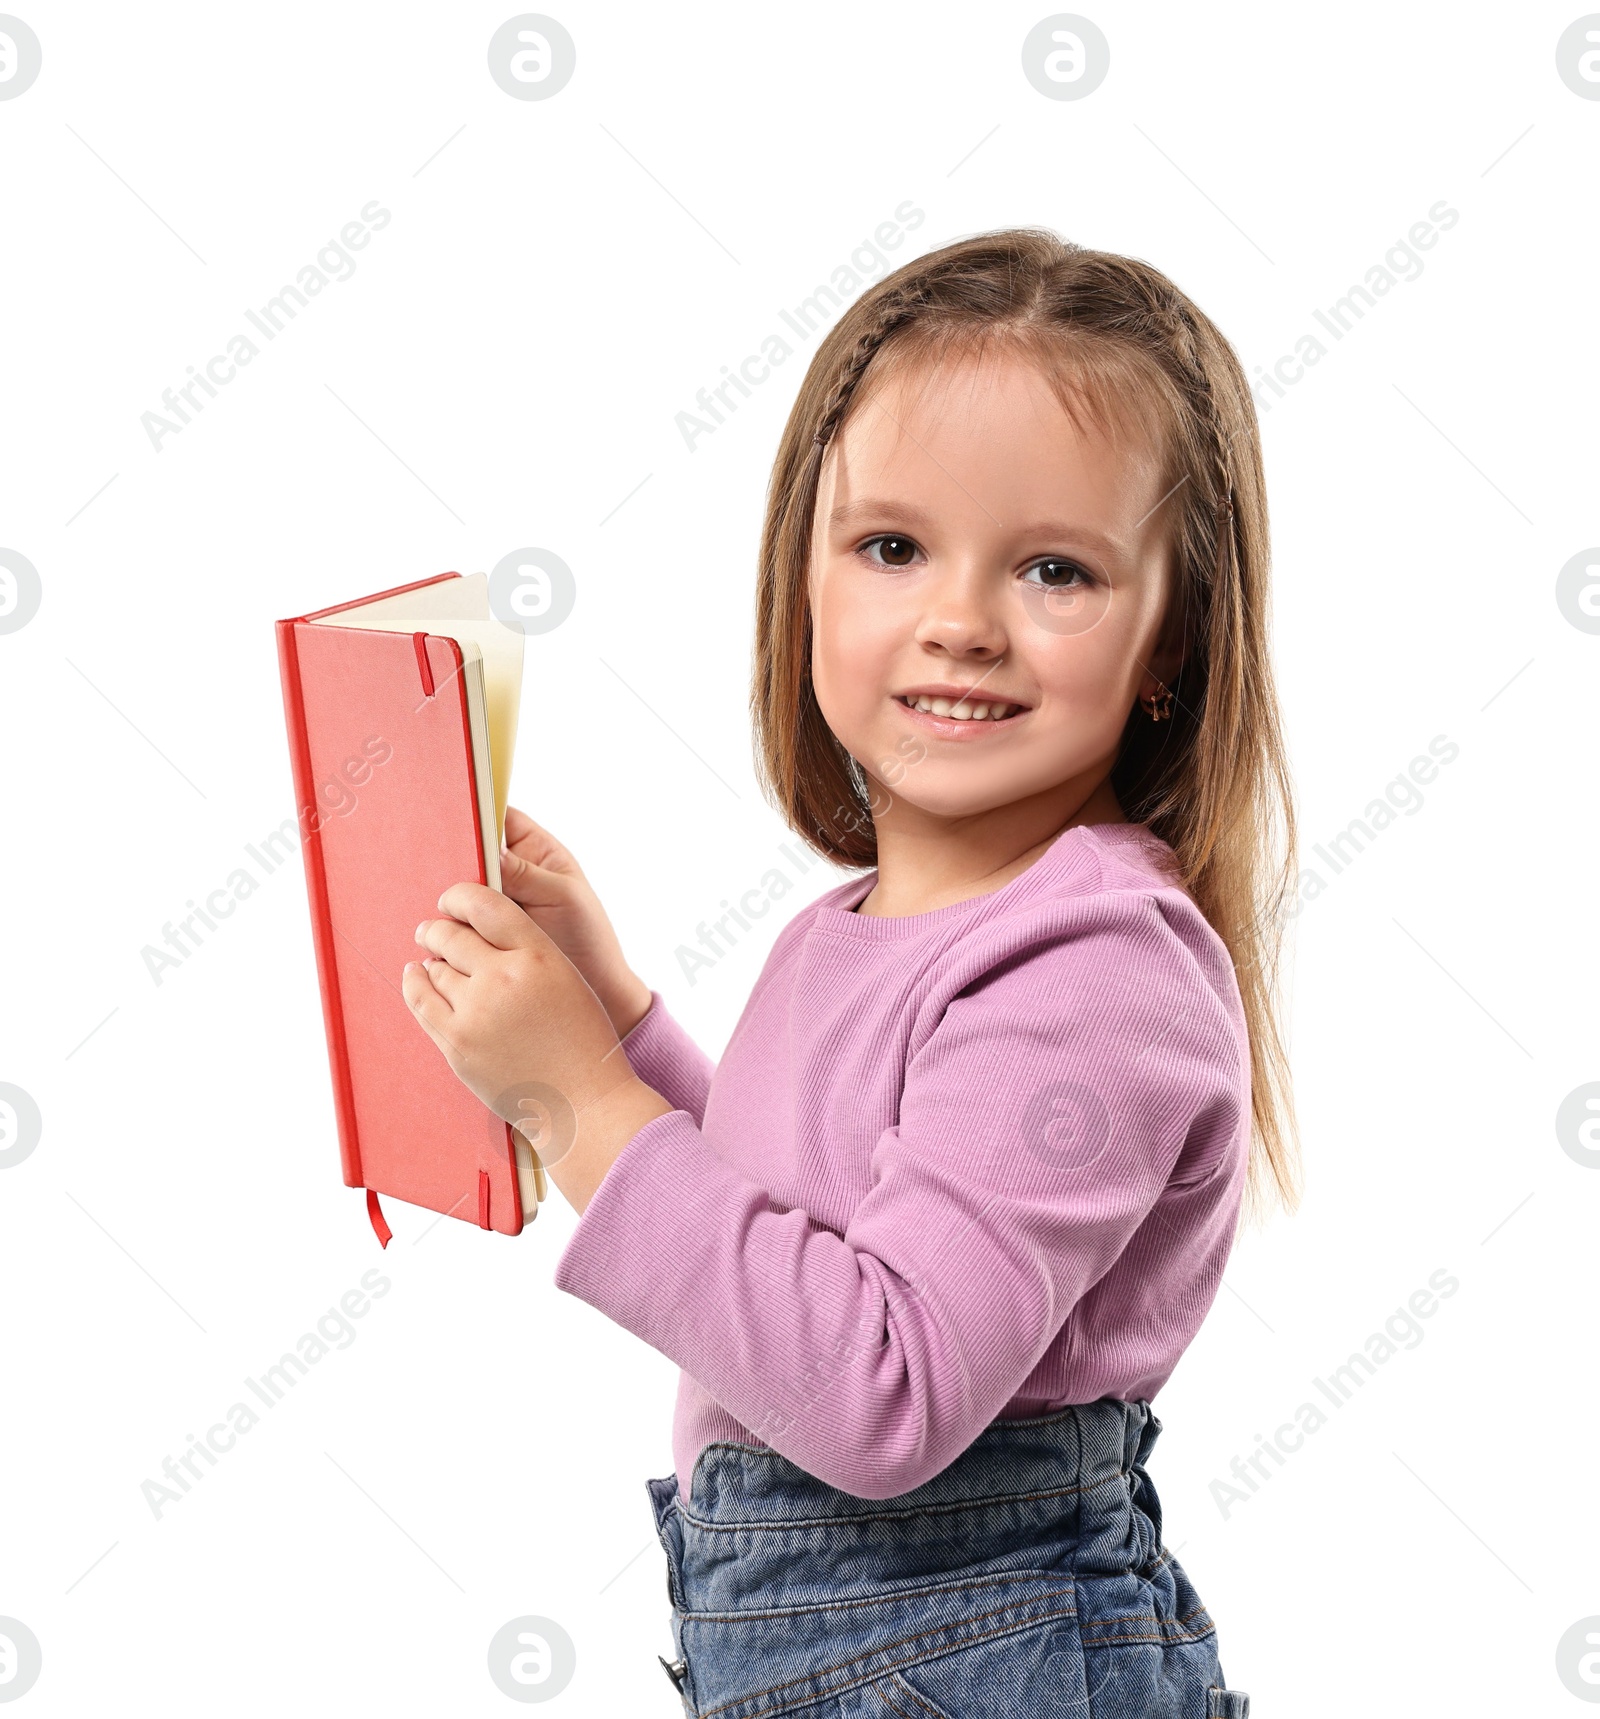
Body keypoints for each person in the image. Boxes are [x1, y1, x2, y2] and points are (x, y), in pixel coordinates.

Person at [403, 228, 1298, 1718]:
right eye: (894, 547)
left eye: (1056, 570)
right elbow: (826, 1218)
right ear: (802, 578)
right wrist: (618, 1026)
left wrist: (578, 1105)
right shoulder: (864, 922)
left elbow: (882, 1388)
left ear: (1173, 639)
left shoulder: (1094, 975)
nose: (960, 618)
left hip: (980, 1648)